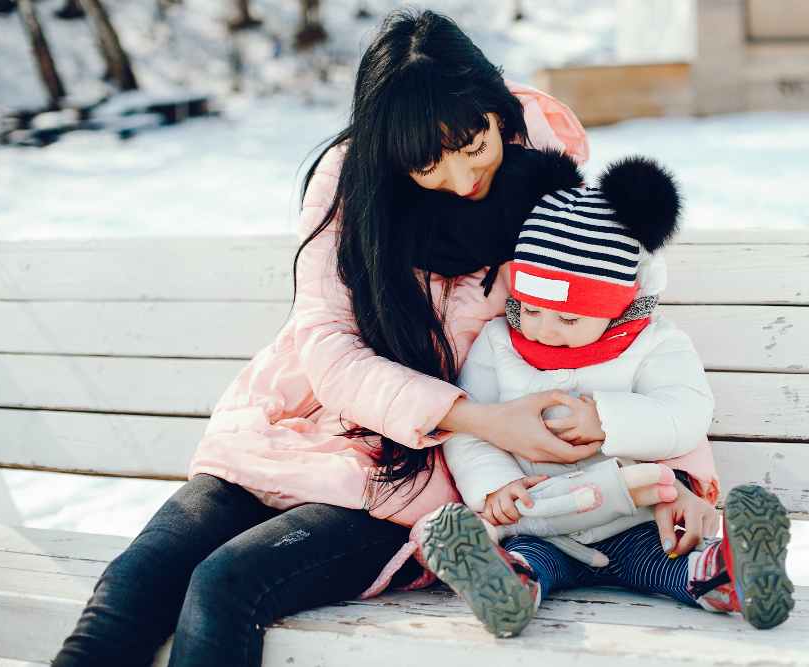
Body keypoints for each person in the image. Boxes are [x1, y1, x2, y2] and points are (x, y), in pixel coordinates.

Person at [49, 9, 718, 667]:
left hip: (410, 479)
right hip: (288, 430)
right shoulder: (352, 184)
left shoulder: (554, 195)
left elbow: (624, 338)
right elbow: (326, 347)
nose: (460, 178)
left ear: (495, 107)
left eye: (473, 144)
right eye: (428, 165)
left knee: (224, 584)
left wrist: (682, 477)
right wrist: (483, 417)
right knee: (133, 583)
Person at [418, 155, 796, 637]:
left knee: (672, 561)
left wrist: (608, 419)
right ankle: (508, 587)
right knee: (529, 560)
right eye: (530, 309)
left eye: (569, 319)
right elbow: (473, 428)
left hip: (632, 518)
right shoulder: (498, 342)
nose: (545, 330)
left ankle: (732, 576)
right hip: (544, 521)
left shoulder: (652, 343)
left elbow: (686, 411)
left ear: (615, 304)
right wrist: (493, 488)